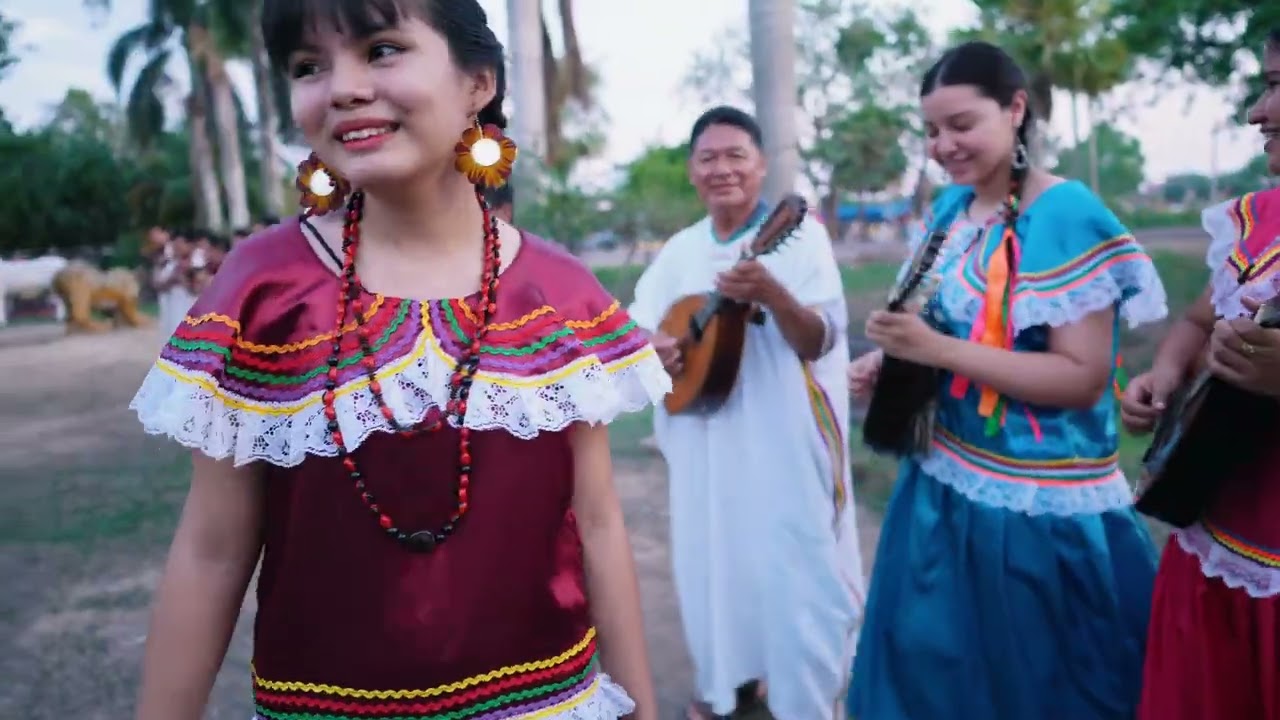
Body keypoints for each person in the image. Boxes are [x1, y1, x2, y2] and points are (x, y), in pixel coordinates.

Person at [127, 1, 668, 719]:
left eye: (381, 50)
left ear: (478, 81)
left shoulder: (560, 293)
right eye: (309, 67)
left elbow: (597, 522)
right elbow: (212, 548)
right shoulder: (262, 288)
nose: (343, 87)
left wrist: (644, 709)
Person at [845, 41, 1168, 719]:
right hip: (940, 493)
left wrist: (936, 348)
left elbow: (1081, 378)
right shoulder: (949, 213)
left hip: (1034, 515)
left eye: (961, 125)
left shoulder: (1066, 216)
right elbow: (953, 333)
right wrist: (897, 361)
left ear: (1016, 109)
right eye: (931, 131)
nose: (943, 146)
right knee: (936, 686)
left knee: (1043, 691)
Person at [628, 105, 864, 720]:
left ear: (761, 167)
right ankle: (729, 686)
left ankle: (806, 702)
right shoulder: (680, 250)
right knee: (716, 566)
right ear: (691, 171)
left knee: (797, 573)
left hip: (784, 447)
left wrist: (773, 294)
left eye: (737, 156)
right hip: (709, 452)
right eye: (708, 158)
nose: (723, 169)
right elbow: (634, 334)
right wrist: (653, 347)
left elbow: (820, 339)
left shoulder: (800, 237)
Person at [1126, 29, 1280, 720]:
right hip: (1216, 549)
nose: (1257, 111)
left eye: (1279, 87)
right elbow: (1196, 322)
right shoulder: (1257, 221)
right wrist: (1165, 371)